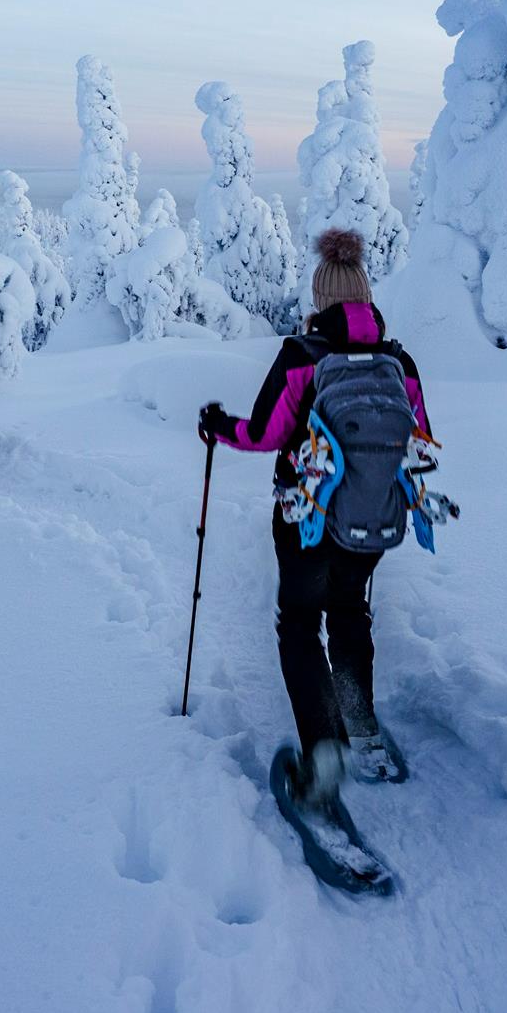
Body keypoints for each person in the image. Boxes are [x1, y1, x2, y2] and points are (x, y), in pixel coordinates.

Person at [199, 228, 432, 832]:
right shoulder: (399, 362)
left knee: (301, 625)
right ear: (364, 297)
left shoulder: (303, 355)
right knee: (350, 612)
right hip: (373, 519)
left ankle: (323, 758)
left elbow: (265, 433)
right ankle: (361, 726)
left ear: (321, 297)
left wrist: (217, 426)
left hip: (304, 520)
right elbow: (420, 439)